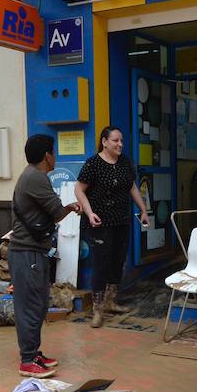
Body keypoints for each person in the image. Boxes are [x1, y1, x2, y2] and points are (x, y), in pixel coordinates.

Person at [9, 134, 79, 379]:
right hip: (26, 251)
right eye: (54, 152)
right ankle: (27, 360)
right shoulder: (36, 178)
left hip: (32, 251)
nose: (55, 157)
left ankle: (34, 352)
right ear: (47, 155)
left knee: (38, 305)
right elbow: (57, 212)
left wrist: (67, 207)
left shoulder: (32, 176)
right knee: (30, 306)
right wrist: (69, 207)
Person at [75, 126, 151, 329]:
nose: (120, 144)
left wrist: (143, 210)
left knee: (118, 261)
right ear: (104, 141)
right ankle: (97, 310)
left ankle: (110, 301)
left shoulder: (124, 162)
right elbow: (79, 189)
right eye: (115, 141)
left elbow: (132, 187)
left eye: (121, 141)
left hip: (121, 220)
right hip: (99, 222)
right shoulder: (93, 164)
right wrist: (89, 212)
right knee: (101, 264)